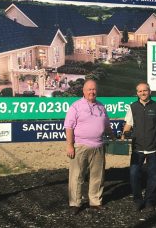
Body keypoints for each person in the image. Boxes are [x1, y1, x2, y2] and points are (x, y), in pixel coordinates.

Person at [64, 79, 115, 215]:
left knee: (98, 176)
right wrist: (70, 145)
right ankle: (75, 203)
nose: (92, 92)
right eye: (89, 89)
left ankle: (95, 202)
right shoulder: (76, 106)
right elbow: (68, 126)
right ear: (84, 91)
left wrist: (112, 136)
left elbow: (106, 124)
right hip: (80, 146)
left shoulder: (101, 106)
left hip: (98, 145)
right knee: (77, 176)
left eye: (94, 89)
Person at [121, 82, 156, 212]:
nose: (143, 93)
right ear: (137, 93)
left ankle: (149, 201)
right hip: (137, 148)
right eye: (140, 91)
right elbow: (128, 125)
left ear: (150, 91)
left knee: (154, 176)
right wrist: (123, 136)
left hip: (154, 148)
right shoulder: (132, 107)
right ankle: (138, 200)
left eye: (145, 90)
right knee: (133, 175)